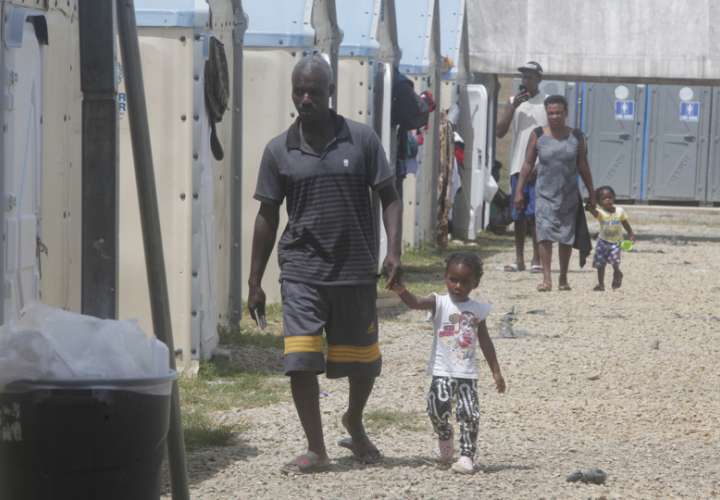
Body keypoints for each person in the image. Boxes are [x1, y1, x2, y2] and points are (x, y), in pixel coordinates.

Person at [247, 54, 403, 473]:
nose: (305, 98)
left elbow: (389, 195)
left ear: (331, 92)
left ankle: (354, 418)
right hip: (301, 270)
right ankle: (316, 447)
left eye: (314, 90)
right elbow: (267, 215)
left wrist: (393, 250)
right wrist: (255, 281)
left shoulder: (362, 141)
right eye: (299, 90)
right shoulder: (279, 150)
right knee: (300, 359)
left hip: (354, 268)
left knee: (363, 363)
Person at [389, 252, 506, 474]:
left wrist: (496, 372)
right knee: (436, 407)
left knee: (469, 413)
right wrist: (400, 290)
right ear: (445, 277)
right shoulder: (439, 302)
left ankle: (466, 456)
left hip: (467, 374)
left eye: (464, 281)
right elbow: (415, 303)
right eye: (453, 279)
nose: (457, 286)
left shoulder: (478, 310)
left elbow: (486, 342)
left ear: (475, 283)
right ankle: (445, 438)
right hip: (441, 370)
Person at [514, 95, 596, 292]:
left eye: (559, 112)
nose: (555, 116)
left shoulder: (576, 136)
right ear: (546, 114)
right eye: (551, 113)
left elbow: (583, 165)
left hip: (568, 195)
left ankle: (563, 277)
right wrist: (519, 191)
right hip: (543, 194)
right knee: (544, 235)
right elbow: (527, 164)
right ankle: (547, 278)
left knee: (566, 236)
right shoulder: (538, 134)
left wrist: (591, 193)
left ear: (565, 113)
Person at [496, 61, 546, 273]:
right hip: (518, 164)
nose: (526, 80)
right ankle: (519, 259)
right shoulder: (513, 102)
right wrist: (512, 107)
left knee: (535, 214)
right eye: (523, 76)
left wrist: (542, 163)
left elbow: (550, 135)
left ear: (538, 80)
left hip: (539, 165)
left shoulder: (547, 103)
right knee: (518, 214)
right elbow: (499, 131)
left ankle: (536, 259)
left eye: (530, 77)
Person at [586, 186, 636, 290]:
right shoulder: (600, 213)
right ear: (599, 202)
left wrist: (630, 233)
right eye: (604, 199)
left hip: (616, 243)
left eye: (610, 197)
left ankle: (617, 273)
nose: (608, 200)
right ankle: (601, 284)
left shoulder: (620, 211)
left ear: (614, 198)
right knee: (600, 264)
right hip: (602, 242)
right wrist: (590, 206)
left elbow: (625, 223)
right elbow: (591, 210)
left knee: (615, 261)